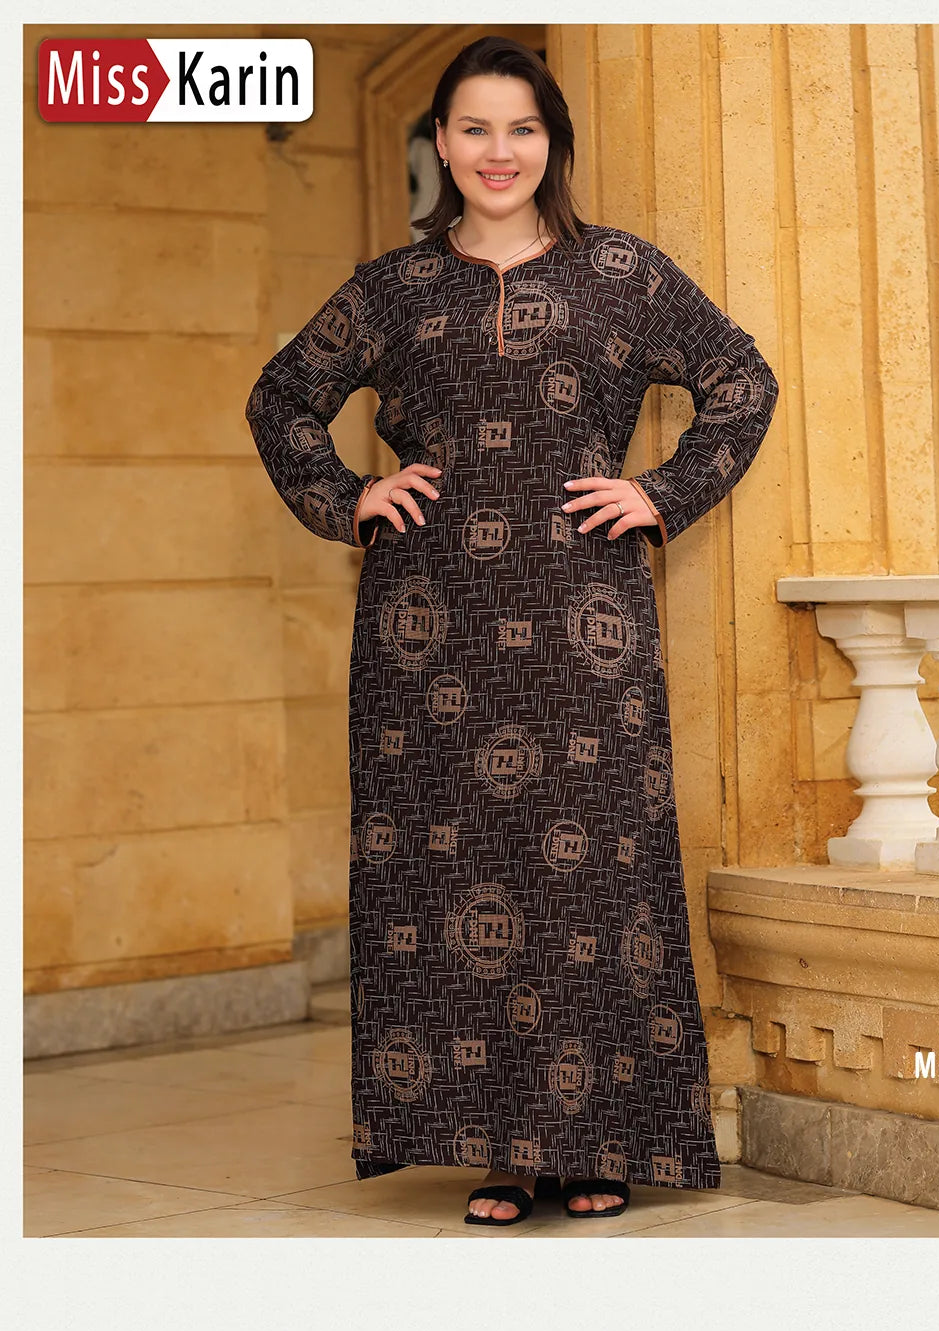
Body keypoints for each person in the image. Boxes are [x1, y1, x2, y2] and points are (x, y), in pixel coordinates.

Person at [246, 35, 778, 1229]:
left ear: (552, 143)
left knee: (594, 869)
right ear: (441, 143)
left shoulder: (621, 273)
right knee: (454, 869)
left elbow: (741, 380)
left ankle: (599, 1142)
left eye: (522, 128)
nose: (500, 150)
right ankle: (496, 1147)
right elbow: (281, 399)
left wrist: (659, 492)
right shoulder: (393, 288)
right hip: (429, 629)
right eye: (476, 128)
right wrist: (350, 498)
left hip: (587, 623)